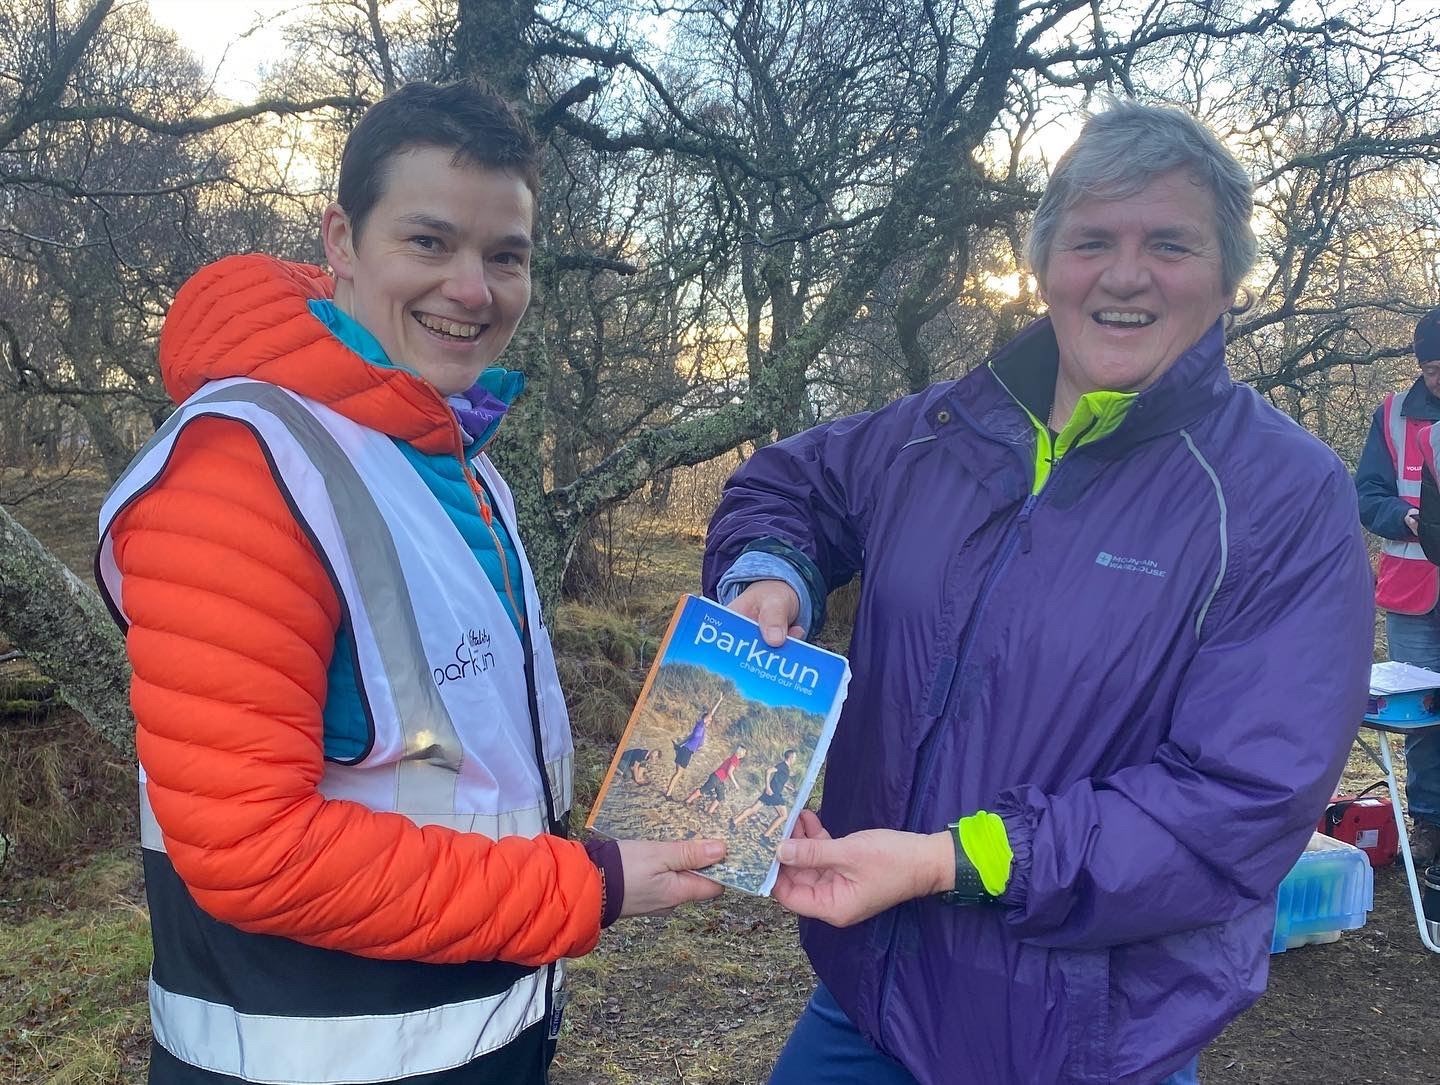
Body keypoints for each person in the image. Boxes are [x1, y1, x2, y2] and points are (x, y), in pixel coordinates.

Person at [704, 100, 1373, 1085]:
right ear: (1045, 260)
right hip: (866, 994)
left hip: (1083, 1039)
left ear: (1228, 278)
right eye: (1092, 237)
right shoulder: (945, 427)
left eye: (1171, 244)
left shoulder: (1283, 495)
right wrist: (770, 574)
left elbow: (1239, 800)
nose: (1125, 272)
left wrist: (952, 857)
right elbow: (792, 487)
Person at [95, 80, 725, 1085]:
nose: (473, 290)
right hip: (318, 1057)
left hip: (478, 1026)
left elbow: (452, 773)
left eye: (505, 255)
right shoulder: (247, 464)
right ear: (341, 240)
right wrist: (585, 885)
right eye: (430, 242)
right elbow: (252, 848)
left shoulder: (454, 458)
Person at [1357, 307, 1440, 866]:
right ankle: (1432, 826)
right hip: (1415, 592)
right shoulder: (1390, 417)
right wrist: (1405, 518)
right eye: (1435, 369)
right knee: (1422, 712)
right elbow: (1365, 495)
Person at [730, 749, 798, 842]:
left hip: (772, 792)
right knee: (784, 815)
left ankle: (734, 821)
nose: (795, 759)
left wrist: (789, 787)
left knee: (754, 809)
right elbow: (768, 771)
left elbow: (779, 780)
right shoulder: (783, 766)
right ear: (790, 757)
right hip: (774, 793)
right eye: (794, 757)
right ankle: (765, 836)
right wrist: (768, 787)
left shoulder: (785, 767)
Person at [665, 694, 723, 797]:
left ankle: (668, 792)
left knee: (678, 773)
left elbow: (689, 737)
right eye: (709, 720)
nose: (710, 721)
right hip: (686, 751)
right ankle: (668, 793)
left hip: (685, 750)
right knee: (678, 773)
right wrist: (719, 700)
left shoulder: (701, 730)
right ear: (705, 718)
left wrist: (678, 744)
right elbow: (710, 714)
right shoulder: (700, 725)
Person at [686, 745, 747, 814]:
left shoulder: (733, 757)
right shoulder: (736, 760)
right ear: (741, 753)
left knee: (721, 796)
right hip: (716, 778)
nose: (744, 755)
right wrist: (735, 784)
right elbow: (730, 772)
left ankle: (709, 812)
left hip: (718, 779)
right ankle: (688, 801)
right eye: (744, 753)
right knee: (703, 790)